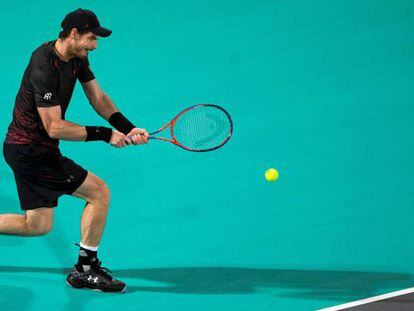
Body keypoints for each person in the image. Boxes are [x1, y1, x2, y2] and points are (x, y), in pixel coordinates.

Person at [0, 8, 149, 293]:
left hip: (25, 149)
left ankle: (84, 270)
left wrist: (127, 128)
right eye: (91, 38)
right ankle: (85, 270)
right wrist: (105, 135)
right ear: (73, 34)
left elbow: (98, 97)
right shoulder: (43, 67)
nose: (94, 45)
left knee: (37, 225)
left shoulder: (78, 57)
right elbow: (54, 127)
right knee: (99, 192)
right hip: (31, 151)